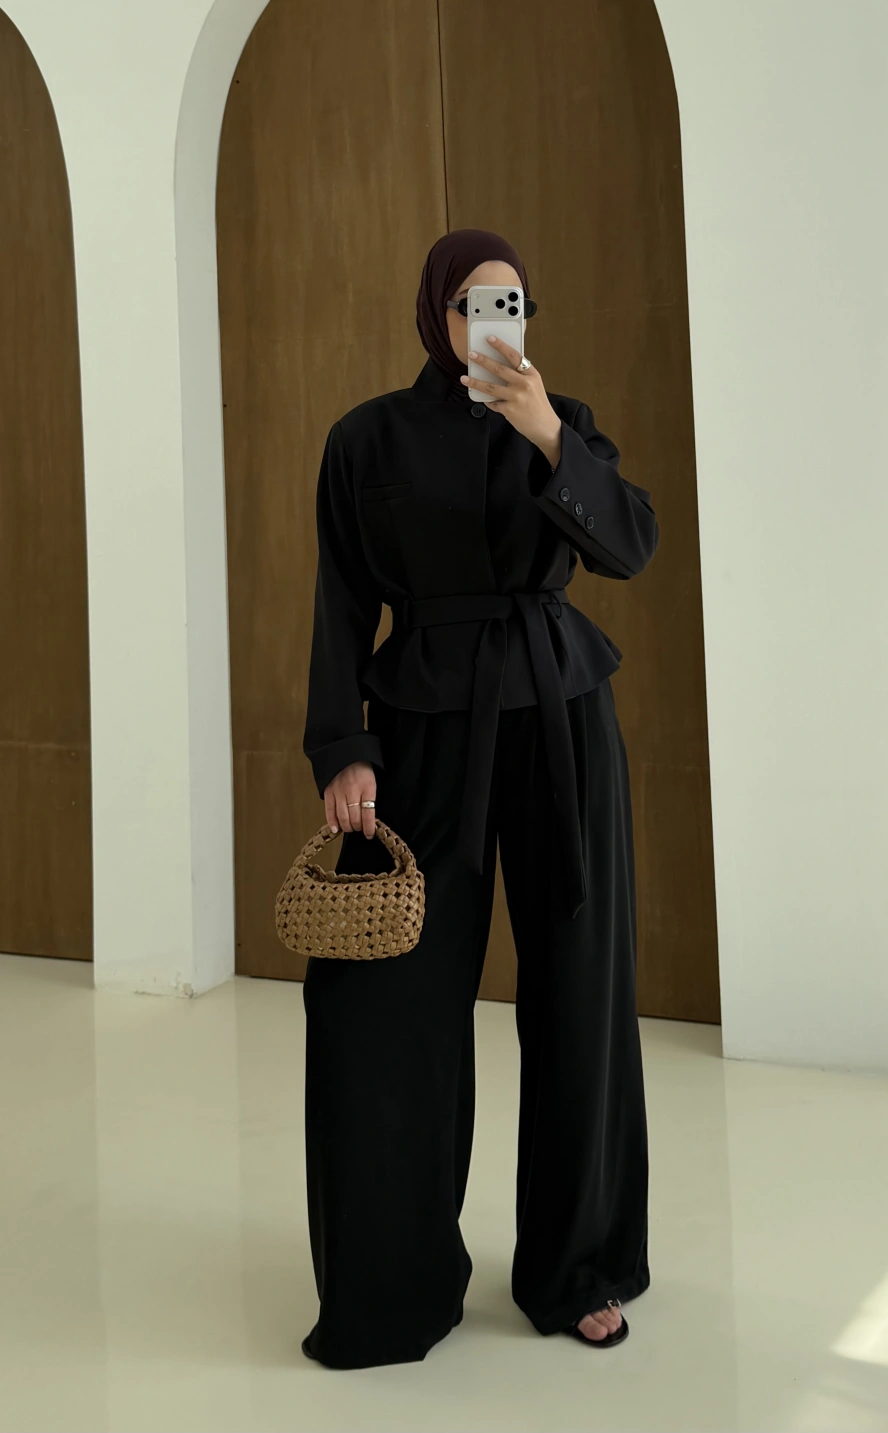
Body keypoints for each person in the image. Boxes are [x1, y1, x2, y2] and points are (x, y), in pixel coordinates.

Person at [300, 228, 659, 1370]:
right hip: (421, 726)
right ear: (434, 315)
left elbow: (631, 546)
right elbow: (340, 601)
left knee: (580, 990)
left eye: (513, 302)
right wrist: (343, 746)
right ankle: (391, 1282)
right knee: (388, 1005)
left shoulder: (565, 421)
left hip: (560, 716)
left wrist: (548, 433)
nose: (494, 320)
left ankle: (579, 1265)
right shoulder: (367, 437)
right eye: (471, 301)